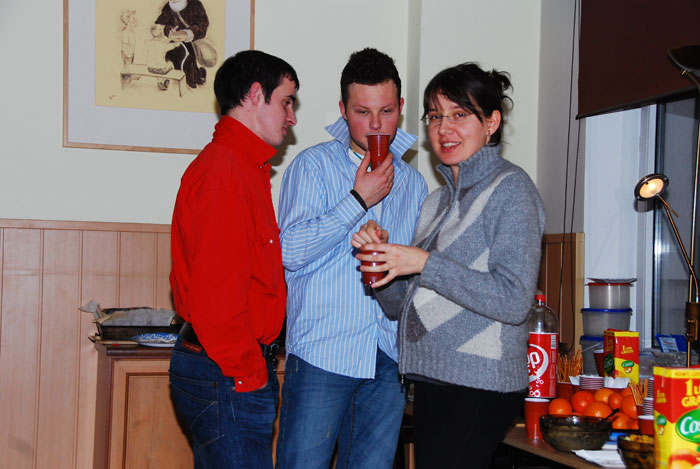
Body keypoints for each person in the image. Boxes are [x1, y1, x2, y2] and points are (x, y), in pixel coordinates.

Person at [353, 62, 546, 468]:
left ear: (491, 123)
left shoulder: (512, 190)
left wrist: (424, 261)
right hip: (433, 379)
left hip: (481, 383)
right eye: (436, 116)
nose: (444, 128)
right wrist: (380, 262)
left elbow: (514, 300)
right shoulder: (436, 202)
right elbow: (399, 307)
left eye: (460, 115)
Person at [275, 48, 427, 469]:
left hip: (387, 354)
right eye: (362, 112)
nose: (376, 125)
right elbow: (290, 253)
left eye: (386, 111)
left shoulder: (414, 183)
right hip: (323, 352)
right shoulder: (312, 166)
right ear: (343, 111)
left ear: (400, 108)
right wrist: (358, 200)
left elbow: (417, 277)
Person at [168, 50, 298, 469]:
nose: (292, 117)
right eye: (286, 101)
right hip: (227, 370)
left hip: (223, 367)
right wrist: (250, 374)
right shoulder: (226, 174)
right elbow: (218, 303)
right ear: (256, 95)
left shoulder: (239, 167)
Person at [155, 0, 209, 88]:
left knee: (189, 60)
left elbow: (203, 25)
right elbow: (162, 23)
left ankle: (197, 76)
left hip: (190, 41)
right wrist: (169, 30)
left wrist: (188, 33)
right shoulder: (168, 7)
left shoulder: (195, 4)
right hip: (173, 42)